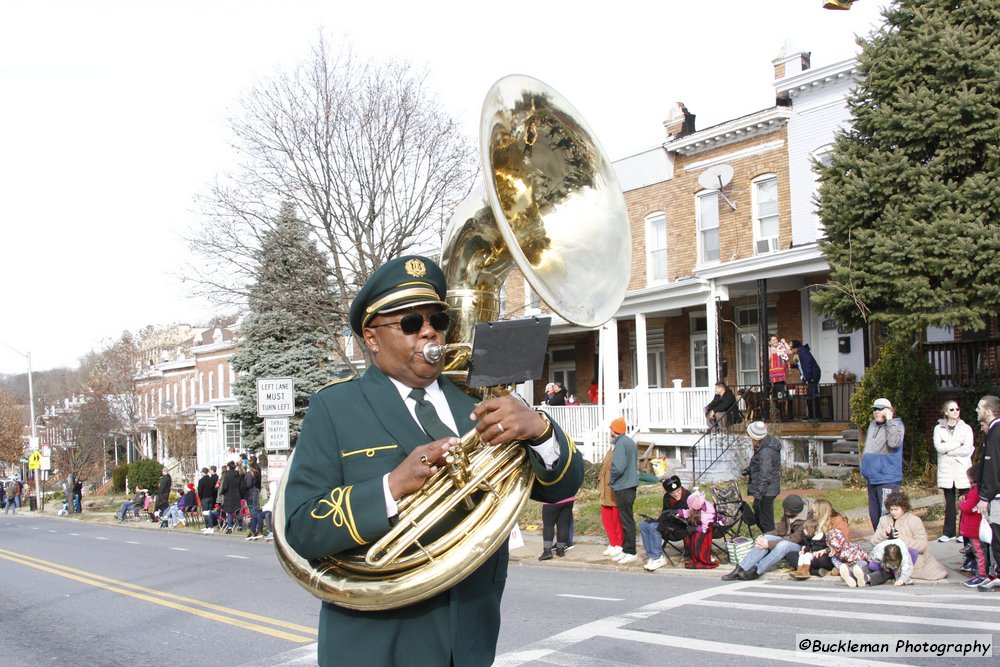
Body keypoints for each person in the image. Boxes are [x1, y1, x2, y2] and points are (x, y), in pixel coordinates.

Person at [281, 255, 583, 666]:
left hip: (469, 641)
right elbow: (302, 526)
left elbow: (561, 487)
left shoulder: (479, 403)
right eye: (409, 323)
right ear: (371, 338)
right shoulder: (335, 407)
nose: (428, 330)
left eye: (437, 319)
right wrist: (392, 486)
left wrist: (539, 429)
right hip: (375, 647)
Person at [721, 494, 811, 581]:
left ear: (795, 511)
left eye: (788, 512)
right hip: (787, 539)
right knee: (766, 538)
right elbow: (780, 531)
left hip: (800, 545)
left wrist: (768, 544)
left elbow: (795, 539)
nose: (786, 513)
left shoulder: (807, 517)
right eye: (785, 511)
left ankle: (757, 570)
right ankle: (741, 568)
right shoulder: (789, 511)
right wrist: (764, 536)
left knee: (783, 545)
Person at [871, 490, 948, 581]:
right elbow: (873, 541)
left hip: (908, 557)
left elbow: (922, 545)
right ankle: (869, 577)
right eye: (891, 509)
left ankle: (873, 577)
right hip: (888, 557)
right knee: (876, 564)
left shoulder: (914, 520)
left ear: (903, 508)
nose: (893, 512)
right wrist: (884, 533)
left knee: (894, 567)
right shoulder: (884, 520)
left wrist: (902, 538)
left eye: (896, 509)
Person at [933, 399, 974, 542]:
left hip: (962, 469)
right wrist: (958, 444)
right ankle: (948, 532)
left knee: (965, 502)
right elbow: (939, 447)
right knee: (949, 503)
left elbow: (967, 448)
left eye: (957, 409)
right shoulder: (938, 429)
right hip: (946, 471)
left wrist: (949, 449)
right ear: (945, 412)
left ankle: (964, 533)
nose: (955, 412)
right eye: (952, 410)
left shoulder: (966, 428)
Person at [860, 397, 904, 530]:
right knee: (874, 516)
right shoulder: (872, 425)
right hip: (872, 478)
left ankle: (890, 547)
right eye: (875, 409)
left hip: (887, 478)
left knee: (887, 516)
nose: (876, 412)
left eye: (880, 409)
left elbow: (894, 443)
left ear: (889, 410)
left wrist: (889, 420)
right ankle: (879, 545)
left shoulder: (897, 425)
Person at [784, 498, 850, 578]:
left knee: (819, 560)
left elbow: (843, 544)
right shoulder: (814, 520)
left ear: (820, 512)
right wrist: (804, 546)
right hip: (811, 551)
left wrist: (825, 550)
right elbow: (808, 540)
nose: (813, 513)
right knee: (790, 555)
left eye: (815, 512)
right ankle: (814, 571)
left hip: (829, 554)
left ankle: (806, 570)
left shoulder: (838, 522)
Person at [975, 395, 1000, 592]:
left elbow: (992, 467)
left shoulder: (995, 432)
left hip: (996, 495)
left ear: (989, 411)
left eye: (979, 408)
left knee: (997, 535)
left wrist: (985, 496)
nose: (977, 411)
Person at [640, 475, 691, 571]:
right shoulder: (667, 497)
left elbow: (692, 516)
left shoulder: (688, 496)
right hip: (668, 524)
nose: (676, 494)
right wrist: (657, 519)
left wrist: (676, 513)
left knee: (654, 527)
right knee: (643, 524)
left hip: (680, 528)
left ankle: (658, 557)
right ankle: (651, 555)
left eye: (678, 491)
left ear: (681, 487)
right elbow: (664, 513)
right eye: (672, 493)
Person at [609, 416, 639, 565]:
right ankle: (627, 549)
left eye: (611, 429)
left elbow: (618, 466)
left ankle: (630, 551)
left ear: (615, 430)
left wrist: (612, 479)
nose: (610, 432)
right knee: (626, 519)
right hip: (629, 485)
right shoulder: (629, 442)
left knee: (626, 520)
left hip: (624, 486)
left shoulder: (621, 443)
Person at [745, 421, 781, 533]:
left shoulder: (766, 451)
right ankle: (768, 540)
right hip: (766, 490)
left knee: (766, 522)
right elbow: (758, 464)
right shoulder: (764, 445)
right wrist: (749, 470)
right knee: (759, 516)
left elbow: (765, 475)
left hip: (766, 491)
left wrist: (758, 495)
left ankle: (771, 543)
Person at [959, 465, 992, 588]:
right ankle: (981, 572)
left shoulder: (976, 491)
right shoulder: (979, 490)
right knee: (980, 551)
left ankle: (982, 575)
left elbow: (967, 507)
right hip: (975, 527)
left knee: (979, 552)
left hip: (974, 528)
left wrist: (961, 504)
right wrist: (966, 497)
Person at [843, 541, 912, 588]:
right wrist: (883, 565)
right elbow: (871, 559)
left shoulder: (905, 556)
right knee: (871, 567)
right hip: (881, 563)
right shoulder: (880, 552)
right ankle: (853, 576)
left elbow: (907, 569)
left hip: (895, 570)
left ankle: (865, 578)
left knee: (884, 573)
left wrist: (901, 580)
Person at [677, 491, 718, 569]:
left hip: (709, 529)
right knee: (690, 534)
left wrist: (694, 529)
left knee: (697, 536)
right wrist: (678, 512)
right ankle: (692, 554)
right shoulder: (699, 504)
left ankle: (701, 557)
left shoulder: (706, 511)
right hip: (702, 526)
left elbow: (704, 528)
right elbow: (689, 512)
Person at [598, 446, 624, 559]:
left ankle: (619, 544)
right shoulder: (610, 450)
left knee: (616, 519)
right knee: (606, 518)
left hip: (614, 489)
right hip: (605, 490)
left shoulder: (621, 450)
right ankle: (612, 542)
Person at [789, 339, 821, 420]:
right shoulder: (799, 353)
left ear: (796, 348)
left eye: (792, 349)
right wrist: (793, 366)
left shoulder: (803, 352)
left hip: (812, 376)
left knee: (812, 396)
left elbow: (808, 365)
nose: (791, 351)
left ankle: (816, 417)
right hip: (808, 376)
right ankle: (811, 416)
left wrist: (808, 378)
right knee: (809, 397)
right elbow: (801, 365)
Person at [538, 495, 575, 560]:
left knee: (548, 525)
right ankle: (560, 551)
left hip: (552, 499)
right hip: (569, 499)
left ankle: (547, 552)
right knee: (563, 525)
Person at [767, 334, 790, 420]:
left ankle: (782, 415)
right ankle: (776, 415)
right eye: (773, 340)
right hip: (772, 377)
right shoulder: (769, 350)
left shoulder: (780, 348)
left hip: (781, 377)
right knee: (775, 397)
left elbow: (789, 352)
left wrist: (784, 342)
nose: (775, 341)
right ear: (769, 342)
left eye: (776, 339)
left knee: (782, 397)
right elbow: (766, 361)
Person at [219, 461, 243, 533]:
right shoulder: (238, 475)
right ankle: (240, 525)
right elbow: (241, 486)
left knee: (229, 512)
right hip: (237, 495)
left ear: (228, 467)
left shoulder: (227, 475)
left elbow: (225, 487)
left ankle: (229, 528)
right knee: (238, 511)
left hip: (228, 495)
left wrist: (222, 492)